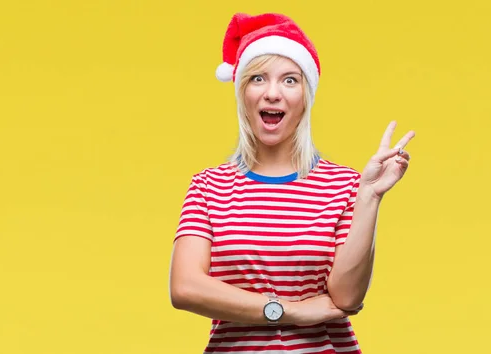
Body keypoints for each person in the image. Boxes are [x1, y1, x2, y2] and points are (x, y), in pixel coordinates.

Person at [169, 12, 415, 354]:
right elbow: (184, 287)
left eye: (289, 80)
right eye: (258, 78)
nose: (272, 93)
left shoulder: (345, 184)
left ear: (306, 96)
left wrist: (370, 196)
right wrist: (289, 311)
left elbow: (346, 297)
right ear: (242, 92)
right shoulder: (209, 187)